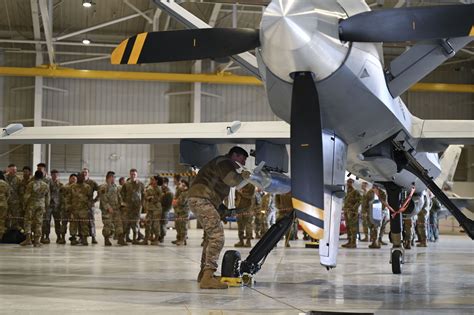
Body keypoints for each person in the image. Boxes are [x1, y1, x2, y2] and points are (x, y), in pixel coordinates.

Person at [187, 146, 250, 289]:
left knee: (211, 237)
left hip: (202, 198)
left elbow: (215, 188)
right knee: (217, 237)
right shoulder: (224, 162)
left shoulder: (221, 163)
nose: (244, 163)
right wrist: (247, 176)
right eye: (242, 159)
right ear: (234, 155)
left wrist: (223, 210)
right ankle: (207, 277)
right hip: (202, 198)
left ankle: (204, 274)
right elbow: (234, 181)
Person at [20, 171, 50, 247]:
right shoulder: (46, 185)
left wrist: (24, 205)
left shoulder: (31, 184)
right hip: (41, 205)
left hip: (31, 205)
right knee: (39, 222)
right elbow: (48, 198)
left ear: (35, 176)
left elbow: (26, 196)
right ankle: (37, 241)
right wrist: (46, 206)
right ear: (42, 176)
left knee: (28, 221)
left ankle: (28, 240)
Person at [99, 171, 126, 246]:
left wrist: (121, 204)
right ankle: (106, 239)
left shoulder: (115, 186)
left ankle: (120, 239)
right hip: (107, 210)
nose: (114, 179)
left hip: (116, 209)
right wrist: (108, 207)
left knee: (119, 224)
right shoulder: (103, 187)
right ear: (109, 177)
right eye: (113, 177)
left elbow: (119, 196)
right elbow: (103, 198)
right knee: (107, 225)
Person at [120, 169, 145, 244]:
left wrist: (142, 203)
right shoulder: (126, 184)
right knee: (126, 223)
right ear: (130, 175)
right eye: (132, 174)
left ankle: (135, 239)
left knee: (136, 223)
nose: (133, 176)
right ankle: (122, 239)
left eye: (134, 174)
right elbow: (122, 194)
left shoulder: (140, 184)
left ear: (137, 175)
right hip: (128, 207)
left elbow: (143, 194)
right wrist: (123, 203)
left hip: (137, 207)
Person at [69, 173, 93, 246]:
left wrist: (89, 207)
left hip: (84, 209)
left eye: (82, 177)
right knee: (73, 224)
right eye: (79, 177)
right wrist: (68, 207)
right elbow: (68, 198)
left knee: (84, 224)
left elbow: (90, 198)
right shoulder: (72, 187)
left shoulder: (87, 187)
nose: (81, 178)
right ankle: (73, 238)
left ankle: (84, 239)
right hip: (74, 209)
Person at [42, 169, 63, 244]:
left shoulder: (61, 185)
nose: (55, 176)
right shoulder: (47, 183)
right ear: (51, 175)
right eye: (53, 175)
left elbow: (62, 196)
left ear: (58, 176)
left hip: (57, 205)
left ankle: (59, 237)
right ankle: (46, 236)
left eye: (56, 175)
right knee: (47, 221)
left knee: (57, 221)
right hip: (48, 205)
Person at [140, 176, 163, 245]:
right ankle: (146, 239)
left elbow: (159, 198)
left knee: (156, 225)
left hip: (156, 209)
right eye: (151, 179)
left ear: (156, 181)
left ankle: (156, 239)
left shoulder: (159, 188)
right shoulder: (149, 188)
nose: (151, 181)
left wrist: (151, 198)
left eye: (153, 180)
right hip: (149, 209)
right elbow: (145, 196)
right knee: (147, 224)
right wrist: (149, 197)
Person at [234, 183, 256, 248]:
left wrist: (241, 193)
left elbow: (251, 196)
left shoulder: (251, 185)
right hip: (239, 208)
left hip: (248, 208)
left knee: (248, 225)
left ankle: (248, 241)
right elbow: (236, 197)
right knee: (240, 225)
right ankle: (241, 241)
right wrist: (236, 204)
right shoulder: (238, 185)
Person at [342, 178, 361, 248]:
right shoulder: (348, 191)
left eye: (350, 182)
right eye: (348, 182)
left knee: (353, 228)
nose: (348, 184)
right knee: (348, 227)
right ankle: (349, 241)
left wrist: (354, 209)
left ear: (353, 183)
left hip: (352, 212)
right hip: (347, 211)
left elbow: (359, 201)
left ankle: (353, 243)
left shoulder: (355, 191)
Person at [82, 168, 99, 244]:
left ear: (88, 173)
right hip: (81, 205)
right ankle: (83, 237)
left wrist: (95, 200)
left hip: (90, 205)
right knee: (82, 222)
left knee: (91, 221)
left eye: (85, 172)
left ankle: (93, 237)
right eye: (83, 172)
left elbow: (100, 191)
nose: (84, 174)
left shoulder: (92, 182)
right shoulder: (79, 182)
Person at [367, 184, 387, 249]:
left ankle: (377, 241)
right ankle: (375, 241)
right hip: (372, 211)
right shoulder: (369, 192)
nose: (374, 188)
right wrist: (365, 211)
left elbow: (384, 203)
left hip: (380, 211)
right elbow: (365, 202)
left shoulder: (382, 193)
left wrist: (380, 210)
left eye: (375, 187)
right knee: (374, 227)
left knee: (378, 227)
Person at [59, 173, 77, 245]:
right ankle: (62, 238)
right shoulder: (64, 187)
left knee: (73, 224)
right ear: (69, 179)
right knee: (64, 223)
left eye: (75, 179)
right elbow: (62, 198)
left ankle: (73, 238)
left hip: (73, 209)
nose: (74, 180)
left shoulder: (77, 188)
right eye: (72, 178)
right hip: (65, 209)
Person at [173, 179, 189, 246]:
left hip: (184, 212)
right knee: (178, 226)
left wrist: (176, 202)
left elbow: (181, 202)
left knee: (183, 226)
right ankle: (179, 238)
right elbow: (175, 200)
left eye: (182, 185)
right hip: (178, 211)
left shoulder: (187, 193)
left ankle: (183, 239)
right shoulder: (181, 192)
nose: (180, 186)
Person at [5, 164, 21, 231]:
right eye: (13, 170)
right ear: (8, 170)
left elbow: (20, 191)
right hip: (5, 201)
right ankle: (5, 231)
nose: (15, 171)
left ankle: (14, 232)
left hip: (15, 202)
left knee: (15, 217)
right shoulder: (4, 178)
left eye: (15, 170)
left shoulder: (18, 179)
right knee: (4, 216)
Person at [17, 166, 32, 231]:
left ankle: (30, 236)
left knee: (30, 221)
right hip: (21, 204)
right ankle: (22, 235)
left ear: (30, 173)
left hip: (30, 204)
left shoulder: (32, 182)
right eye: (24, 172)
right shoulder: (20, 181)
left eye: (26, 172)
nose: (25, 173)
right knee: (21, 220)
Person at [159, 177, 174, 243]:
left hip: (165, 210)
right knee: (158, 224)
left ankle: (162, 237)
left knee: (163, 224)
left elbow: (168, 203)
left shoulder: (169, 192)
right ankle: (158, 236)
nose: (162, 184)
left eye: (163, 183)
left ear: (166, 183)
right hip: (159, 209)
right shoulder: (160, 190)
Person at [0, 171, 11, 241]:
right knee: (2, 220)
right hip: (3, 204)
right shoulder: (5, 184)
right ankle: (0, 236)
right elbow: (8, 195)